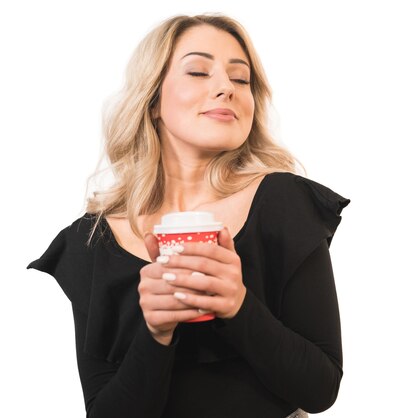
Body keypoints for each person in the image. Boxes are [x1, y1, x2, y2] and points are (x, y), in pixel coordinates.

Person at [27, 13, 349, 418]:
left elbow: (320, 388)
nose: (224, 88)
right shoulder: (92, 241)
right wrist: (155, 332)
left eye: (240, 79)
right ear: (154, 98)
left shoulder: (283, 202)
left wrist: (238, 305)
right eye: (198, 71)